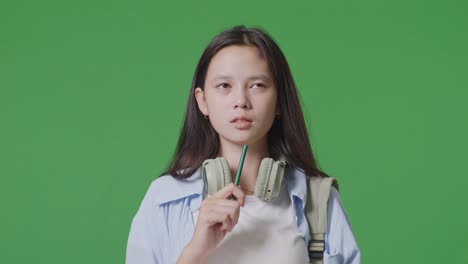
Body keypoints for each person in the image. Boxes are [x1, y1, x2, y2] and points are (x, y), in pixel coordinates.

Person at [126, 25, 360, 264]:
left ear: (279, 101)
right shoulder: (163, 199)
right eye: (224, 86)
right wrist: (195, 252)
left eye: (257, 85)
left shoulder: (319, 200)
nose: (241, 101)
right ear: (202, 101)